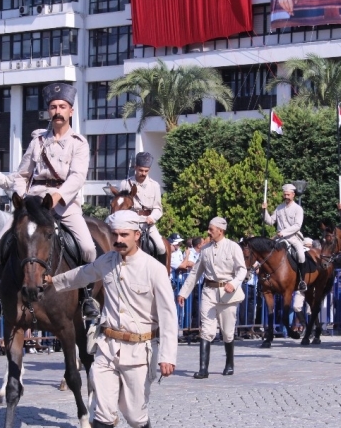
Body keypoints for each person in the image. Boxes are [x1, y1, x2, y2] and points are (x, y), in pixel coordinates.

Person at [42, 210, 177, 428]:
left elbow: (168, 315)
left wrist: (168, 355)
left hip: (139, 352)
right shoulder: (106, 261)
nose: (118, 240)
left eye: (124, 235)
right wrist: (53, 281)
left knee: (135, 416)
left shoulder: (155, 269)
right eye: (114, 235)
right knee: (103, 415)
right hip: (107, 348)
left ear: (137, 235)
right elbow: (82, 274)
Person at [0, 82, 97, 318]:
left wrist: (57, 196)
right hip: (33, 203)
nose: (57, 111)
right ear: (48, 111)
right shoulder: (37, 141)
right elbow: (23, 174)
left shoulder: (79, 143)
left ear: (70, 111)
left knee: (88, 248)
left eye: (62, 106)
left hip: (64, 203)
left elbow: (77, 177)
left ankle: (87, 298)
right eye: (53, 107)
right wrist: (22, 199)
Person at [177, 217, 247, 379]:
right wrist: (183, 292)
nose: (208, 232)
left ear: (220, 231)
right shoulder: (206, 249)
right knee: (206, 330)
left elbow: (242, 270)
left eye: (211, 229)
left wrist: (234, 283)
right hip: (209, 292)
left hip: (228, 293)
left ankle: (229, 363)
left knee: (228, 332)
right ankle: (203, 369)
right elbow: (196, 272)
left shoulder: (233, 247)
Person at [119, 152, 165, 263]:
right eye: (141, 170)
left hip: (147, 223)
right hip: (130, 223)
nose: (143, 173)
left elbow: (158, 208)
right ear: (135, 167)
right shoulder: (125, 184)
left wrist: (152, 218)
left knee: (161, 247)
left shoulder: (155, 186)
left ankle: (163, 273)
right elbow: (120, 205)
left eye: (146, 171)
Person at [262, 183, 307, 291]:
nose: (286, 197)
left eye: (288, 195)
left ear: (293, 195)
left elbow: (297, 225)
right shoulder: (279, 208)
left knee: (301, 255)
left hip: (293, 238)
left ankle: (302, 280)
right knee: (266, 253)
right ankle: (264, 280)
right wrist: (264, 211)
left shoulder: (298, 209)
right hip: (279, 238)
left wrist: (284, 232)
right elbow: (270, 221)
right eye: (285, 194)